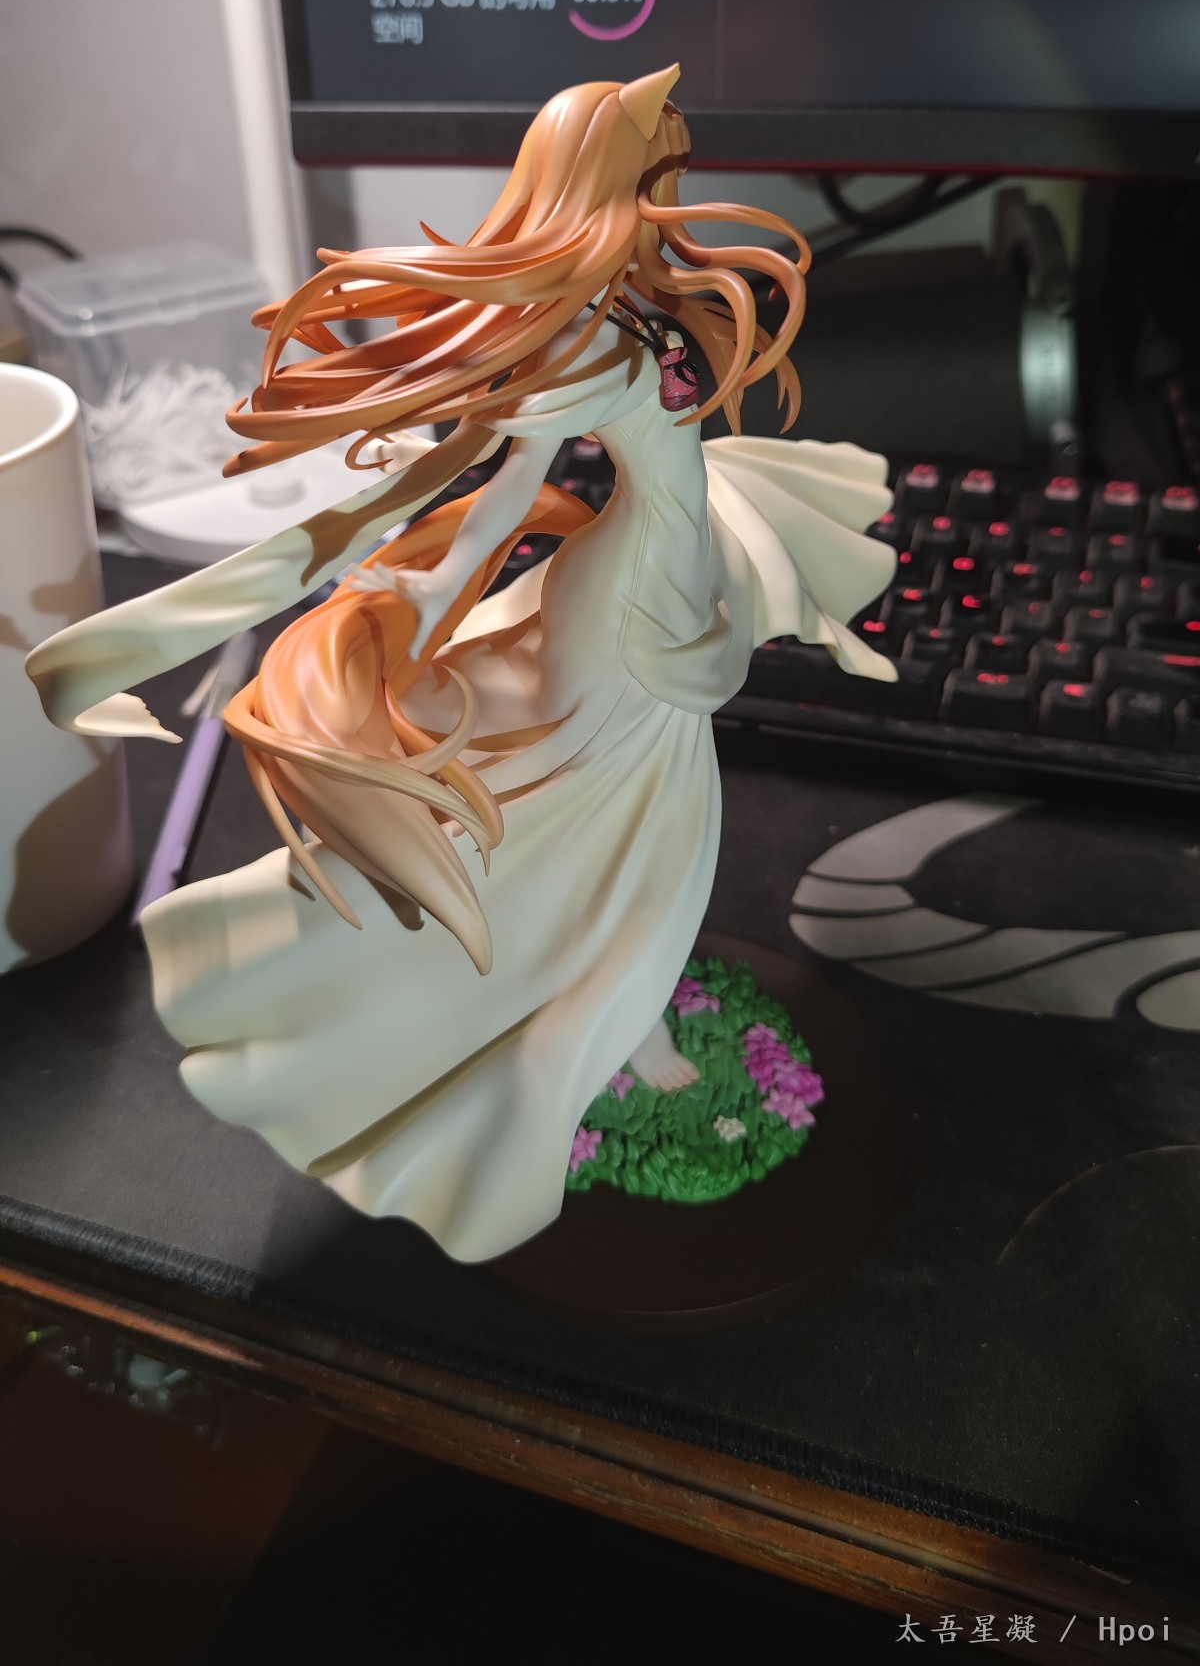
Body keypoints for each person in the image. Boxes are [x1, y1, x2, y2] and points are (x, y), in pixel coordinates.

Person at [27, 68, 896, 1263]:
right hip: (627, 600)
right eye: (659, 151)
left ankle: (607, 1002)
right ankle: (592, 1022)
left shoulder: (633, 296)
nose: (676, 169)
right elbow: (496, 481)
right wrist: (434, 586)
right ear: (611, 168)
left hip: (673, 559)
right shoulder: (583, 338)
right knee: (630, 822)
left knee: (632, 820)